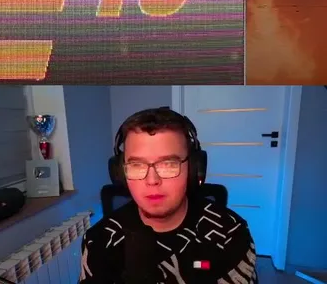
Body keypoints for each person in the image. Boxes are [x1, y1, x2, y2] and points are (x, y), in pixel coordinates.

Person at [81, 108, 258, 284]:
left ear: (194, 169)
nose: (152, 180)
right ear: (120, 173)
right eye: (137, 165)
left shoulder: (231, 235)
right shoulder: (98, 241)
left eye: (168, 164)